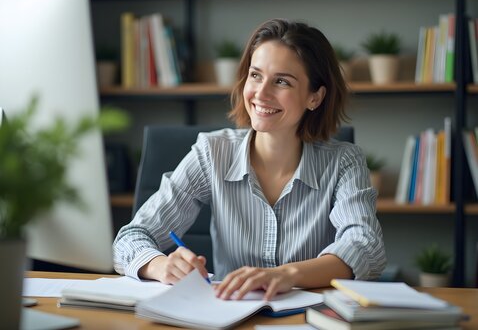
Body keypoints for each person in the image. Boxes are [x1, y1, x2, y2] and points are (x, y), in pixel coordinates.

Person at [113, 18, 386, 300]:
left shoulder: (344, 162)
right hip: (230, 316)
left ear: (314, 97)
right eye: (255, 76)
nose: (261, 93)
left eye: (281, 81)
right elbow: (130, 238)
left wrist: (285, 275)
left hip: (308, 319)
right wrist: (162, 266)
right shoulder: (212, 153)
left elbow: (366, 247)